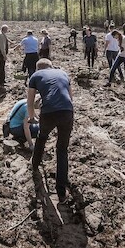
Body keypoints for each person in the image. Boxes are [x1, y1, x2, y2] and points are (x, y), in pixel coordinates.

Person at [27, 58, 74, 201]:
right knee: (62, 149)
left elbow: (29, 102)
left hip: (48, 113)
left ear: (37, 69)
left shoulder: (35, 76)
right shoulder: (63, 73)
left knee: (41, 138)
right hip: (67, 111)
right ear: (51, 66)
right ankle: (61, 192)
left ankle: (35, 166)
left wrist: (32, 117)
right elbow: (70, 97)